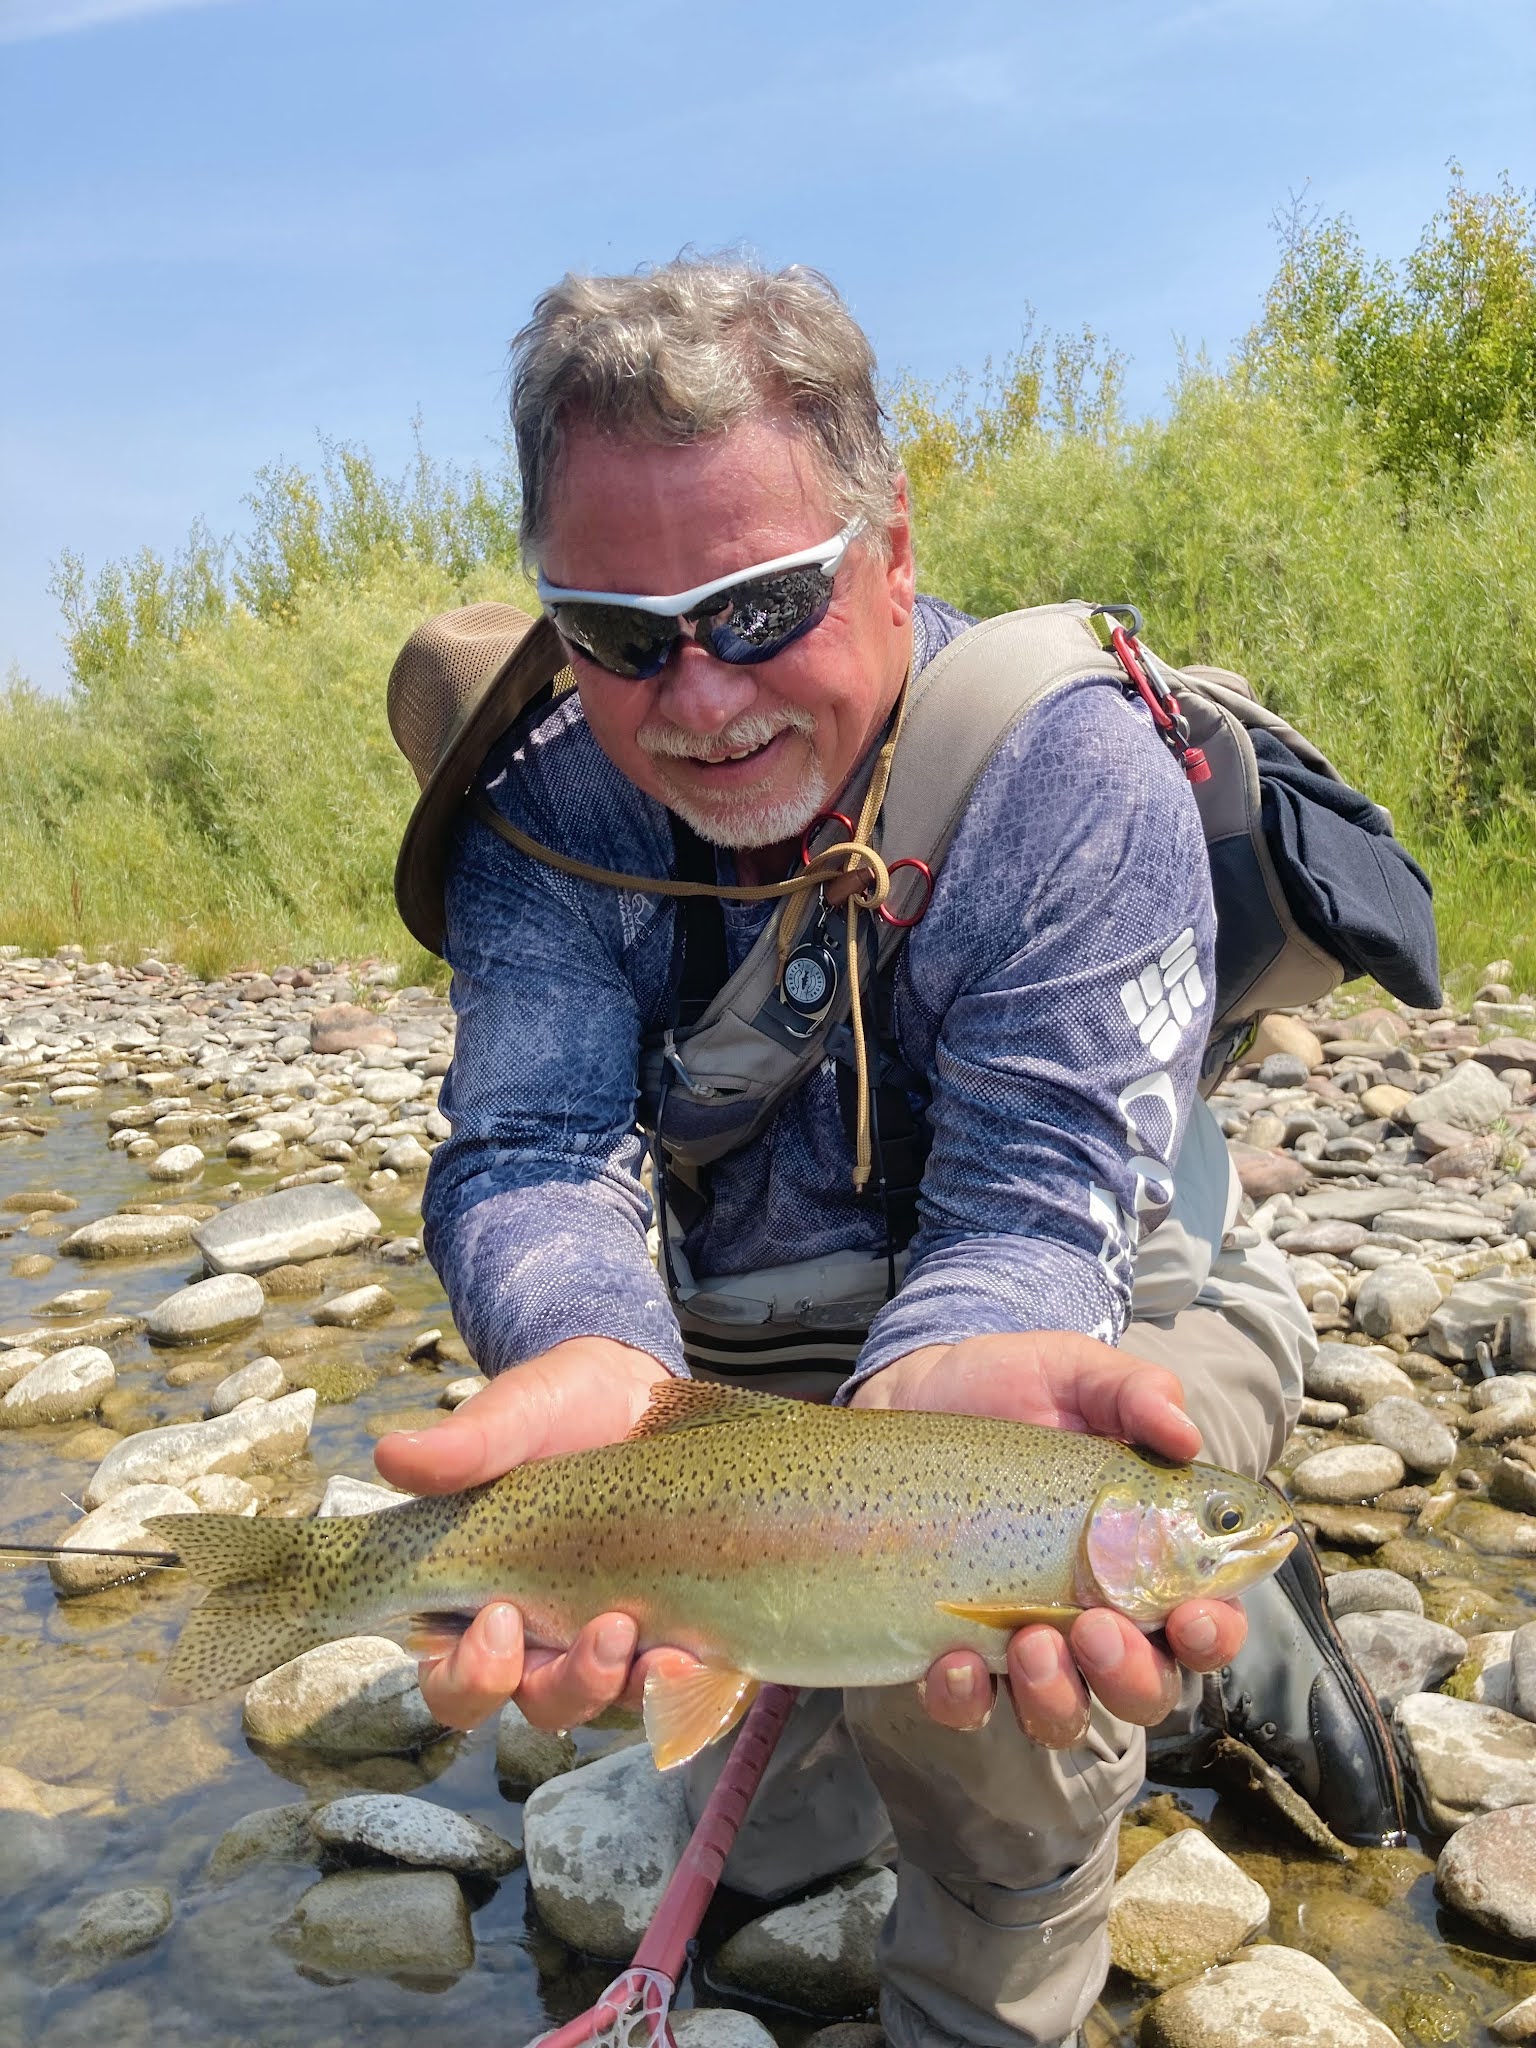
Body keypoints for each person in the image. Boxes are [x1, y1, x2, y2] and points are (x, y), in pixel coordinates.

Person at [375, 257, 1397, 2048]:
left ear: (894, 546)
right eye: (621, 631)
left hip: (1084, 1326)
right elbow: (530, 1151)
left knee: (987, 1727)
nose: (700, 699)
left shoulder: (1071, 773)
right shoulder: (537, 815)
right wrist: (598, 1361)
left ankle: (1019, 1928)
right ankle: (829, 1727)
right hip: (753, 1359)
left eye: (763, 605)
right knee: (765, 1752)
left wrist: (940, 1417)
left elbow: (1034, 1209)